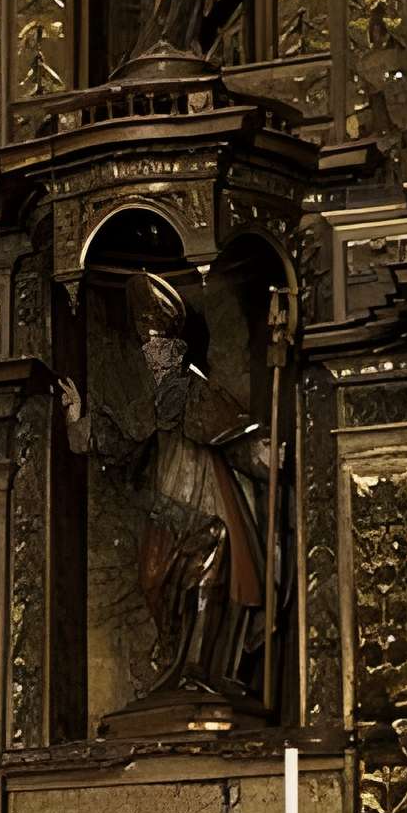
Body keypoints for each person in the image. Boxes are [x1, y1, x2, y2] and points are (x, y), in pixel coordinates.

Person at [61, 270, 275, 712]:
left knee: (207, 569)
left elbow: (233, 436)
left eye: (158, 349)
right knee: (156, 585)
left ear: (177, 353)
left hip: (205, 508)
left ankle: (200, 670)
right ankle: (178, 670)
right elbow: (134, 455)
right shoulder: (159, 407)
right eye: (147, 351)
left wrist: (266, 455)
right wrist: (82, 423)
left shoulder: (196, 394)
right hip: (165, 514)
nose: (152, 359)